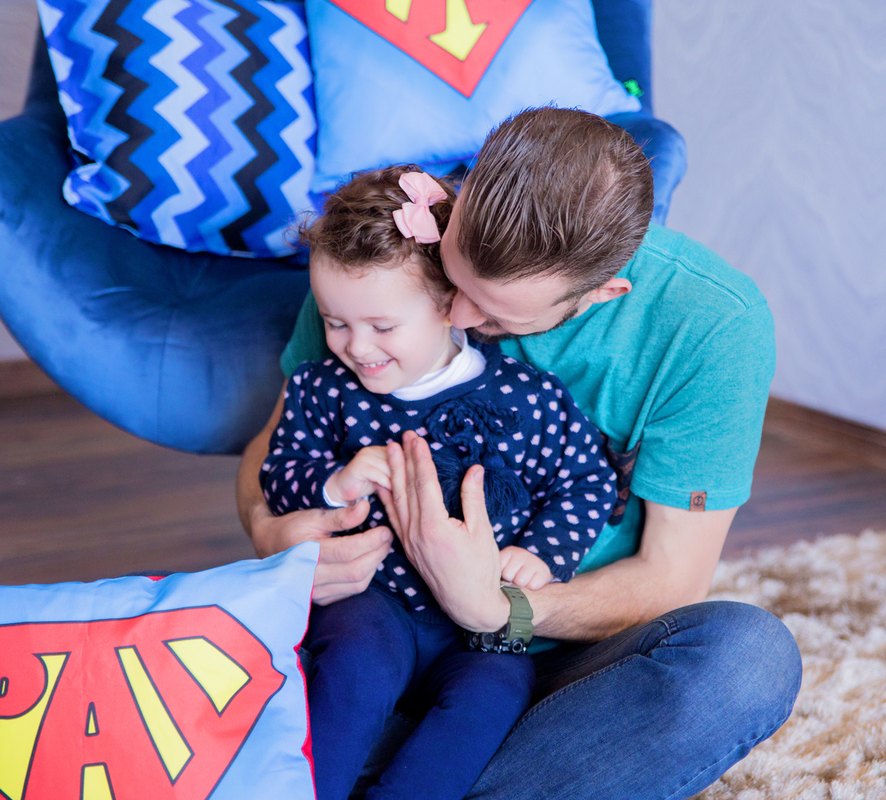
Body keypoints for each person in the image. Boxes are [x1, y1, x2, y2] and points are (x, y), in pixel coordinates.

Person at [236, 108, 803, 799]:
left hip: (544, 658)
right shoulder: (394, 242)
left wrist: (497, 609)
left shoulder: (714, 327)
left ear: (602, 294)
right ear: (461, 194)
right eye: (451, 281)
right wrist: (276, 535)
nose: (461, 319)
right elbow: (275, 452)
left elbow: (671, 579)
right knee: (349, 683)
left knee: (748, 660)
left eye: (497, 315)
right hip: (370, 628)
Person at [261, 165, 618, 800]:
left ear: (450, 306)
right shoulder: (324, 390)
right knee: (354, 667)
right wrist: (335, 485)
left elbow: (588, 482)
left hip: (479, 621)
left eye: (381, 326)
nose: (355, 346)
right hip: (376, 604)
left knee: (497, 694)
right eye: (334, 321)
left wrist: (540, 554)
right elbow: (279, 472)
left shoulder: (528, 398)